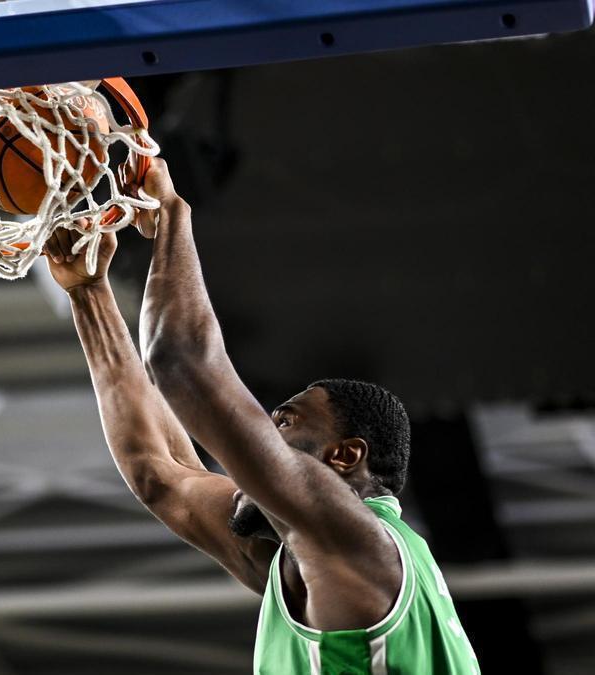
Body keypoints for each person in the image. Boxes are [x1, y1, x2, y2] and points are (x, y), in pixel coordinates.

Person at [42, 159, 480, 674]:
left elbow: (181, 361)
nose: (261, 440)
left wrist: (169, 215)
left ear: (344, 456)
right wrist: (88, 292)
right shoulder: (310, 556)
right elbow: (157, 472)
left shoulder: (356, 542)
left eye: (285, 424)